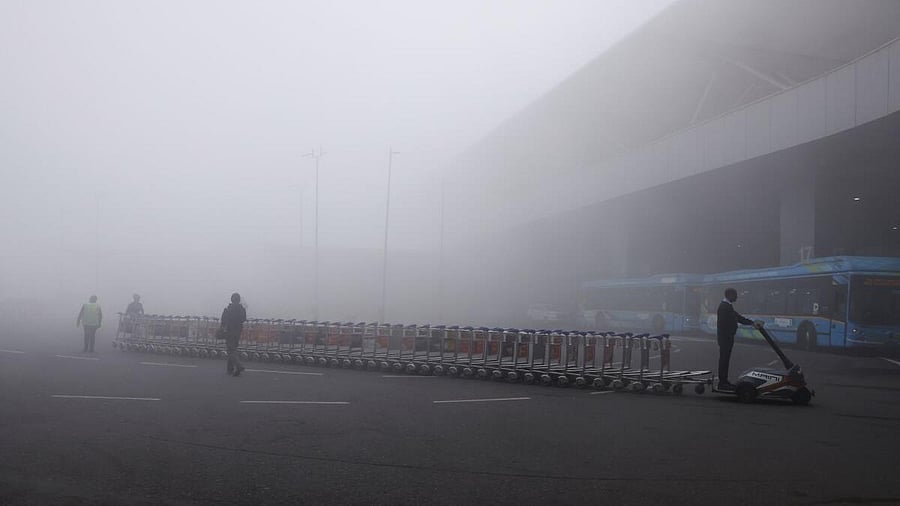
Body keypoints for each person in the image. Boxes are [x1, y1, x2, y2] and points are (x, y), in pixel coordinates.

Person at [716, 288, 754, 390]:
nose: (737, 297)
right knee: (724, 359)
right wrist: (730, 332)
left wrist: (752, 323)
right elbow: (722, 324)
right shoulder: (724, 307)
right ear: (729, 295)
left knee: (725, 359)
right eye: (735, 295)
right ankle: (722, 382)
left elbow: (738, 317)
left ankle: (724, 381)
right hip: (725, 338)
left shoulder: (728, 306)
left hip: (727, 337)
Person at [220, 292, 247, 376]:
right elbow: (243, 319)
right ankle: (230, 369)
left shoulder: (228, 309)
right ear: (239, 300)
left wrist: (222, 328)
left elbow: (223, 320)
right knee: (233, 349)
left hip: (230, 331)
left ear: (231, 299)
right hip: (238, 331)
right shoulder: (242, 309)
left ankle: (239, 366)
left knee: (230, 350)